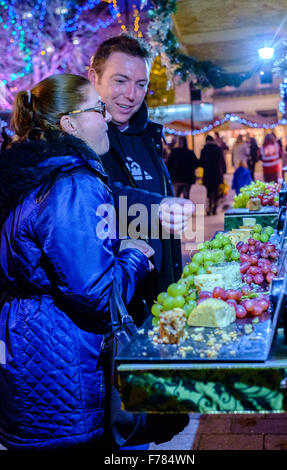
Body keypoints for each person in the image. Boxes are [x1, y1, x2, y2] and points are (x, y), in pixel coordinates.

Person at [0, 74, 189, 450]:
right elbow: (97, 293)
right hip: (64, 364)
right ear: (69, 123)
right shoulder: (71, 182)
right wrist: (135, 255)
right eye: (97, 109)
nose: (106, 118)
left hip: (33, 351)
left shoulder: (28, 174)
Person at [88, 33, 194, 323]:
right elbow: (95, 195)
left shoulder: (149, 136)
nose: (131, 95)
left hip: (157, 301)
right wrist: (157, 208)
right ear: (93, 77)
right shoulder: (81, 137)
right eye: (120, 81)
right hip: (113, 311)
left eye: (141, 84)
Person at [199, 135, 225, 215]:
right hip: (217, 173)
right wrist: (223, 171)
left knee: (209, 192)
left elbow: (201, 163)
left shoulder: (204, 150)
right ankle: (214, 208)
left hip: (208, 174)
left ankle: (209, 207)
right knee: (216, 191)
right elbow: (222, 161)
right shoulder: (218, 149)